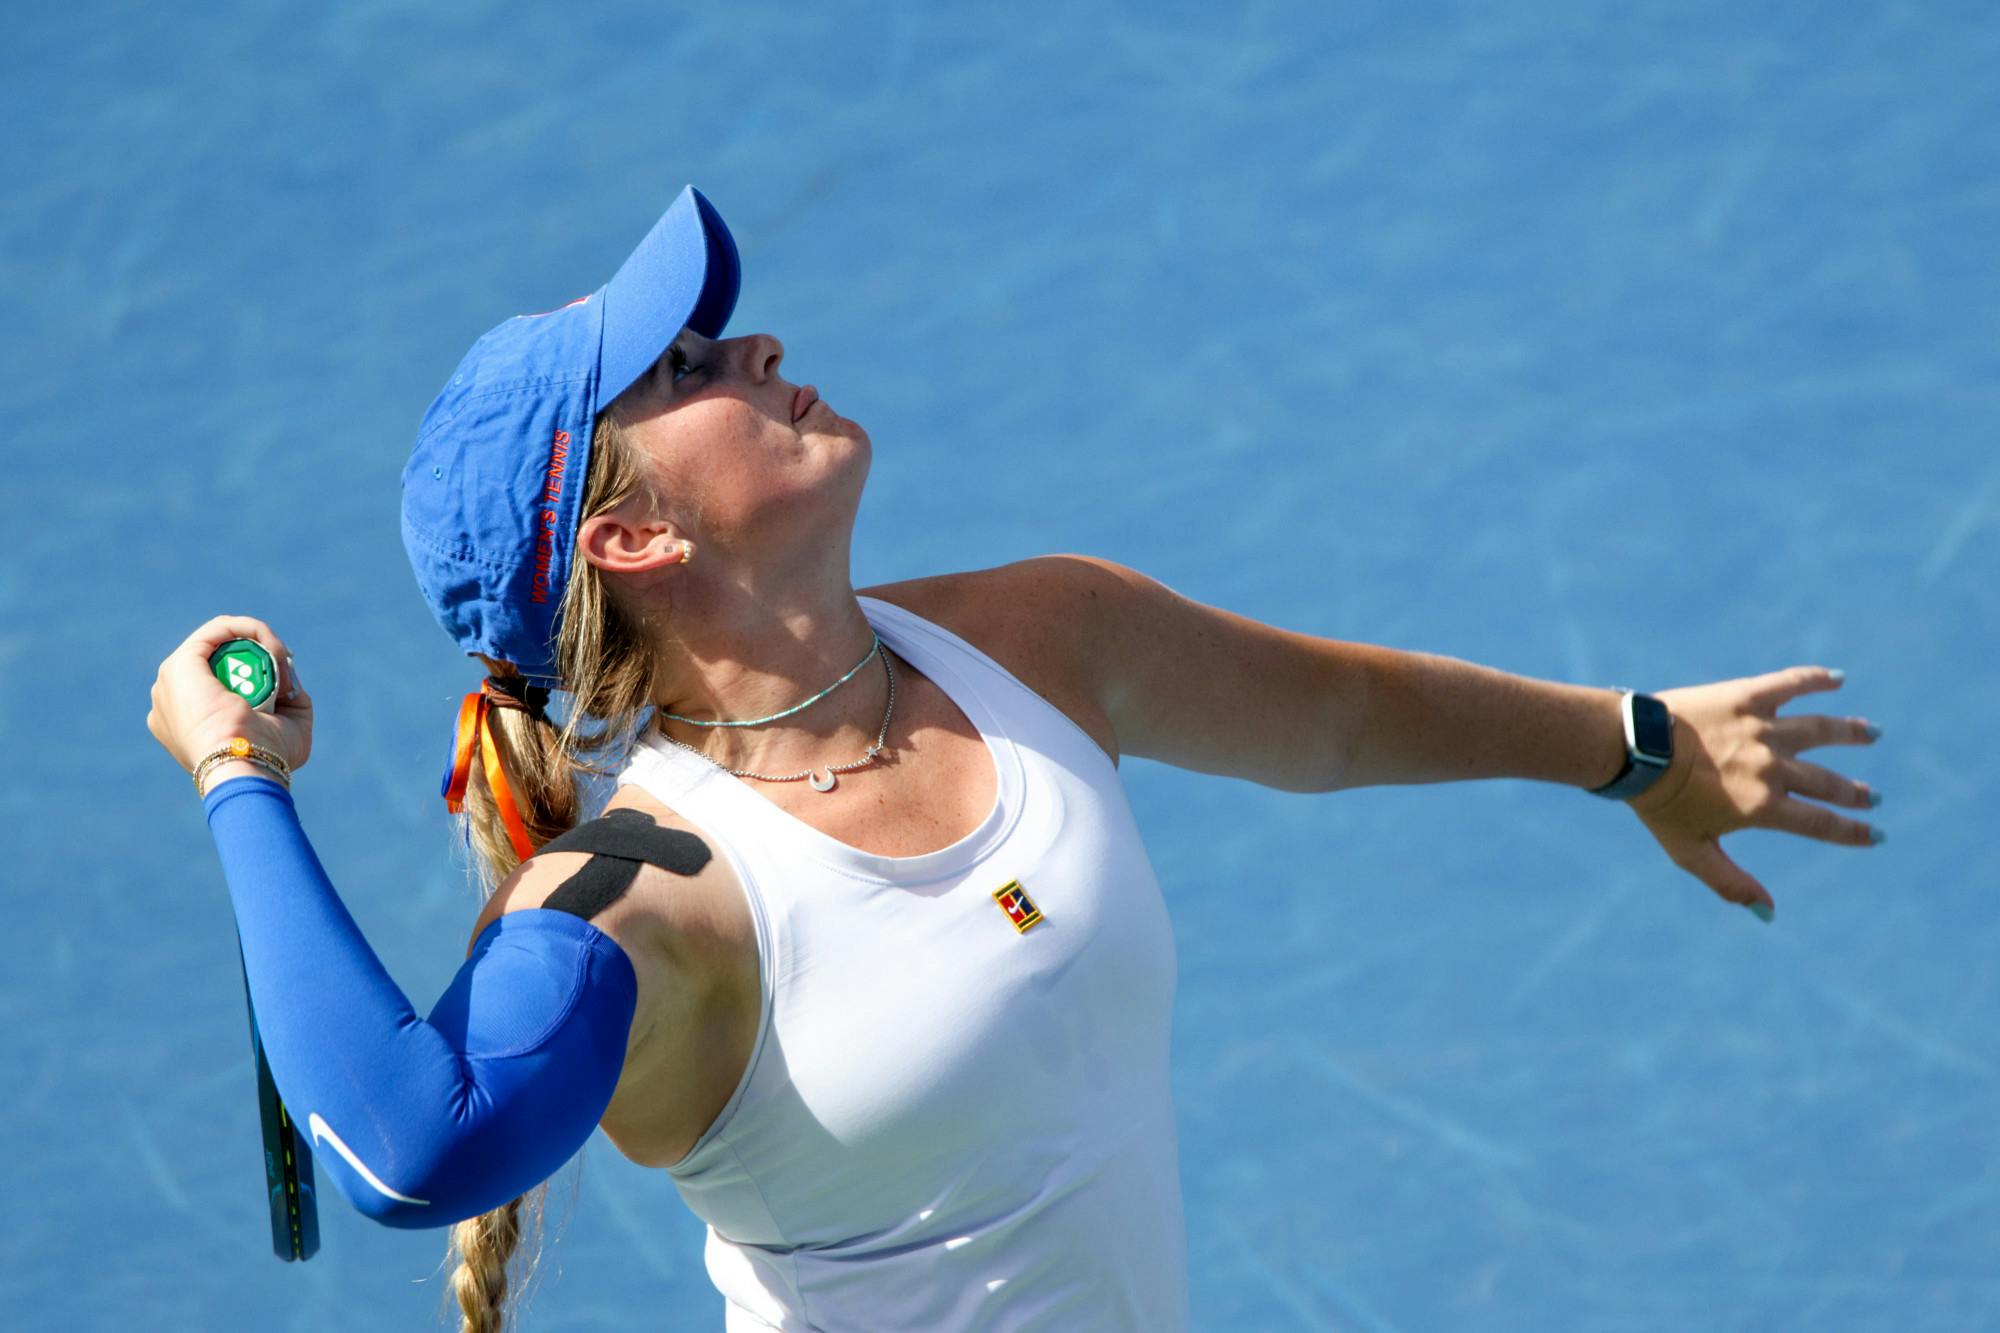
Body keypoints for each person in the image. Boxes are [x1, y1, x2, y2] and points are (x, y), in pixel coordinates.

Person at [146, 185, 1884, 1332]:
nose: (754, 345)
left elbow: (1340, 717)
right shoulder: (650, 898)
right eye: (687, 366)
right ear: (628, 542)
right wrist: (241, 781)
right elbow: (405, 1144)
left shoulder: (1041, 634)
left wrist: (1639, 746)